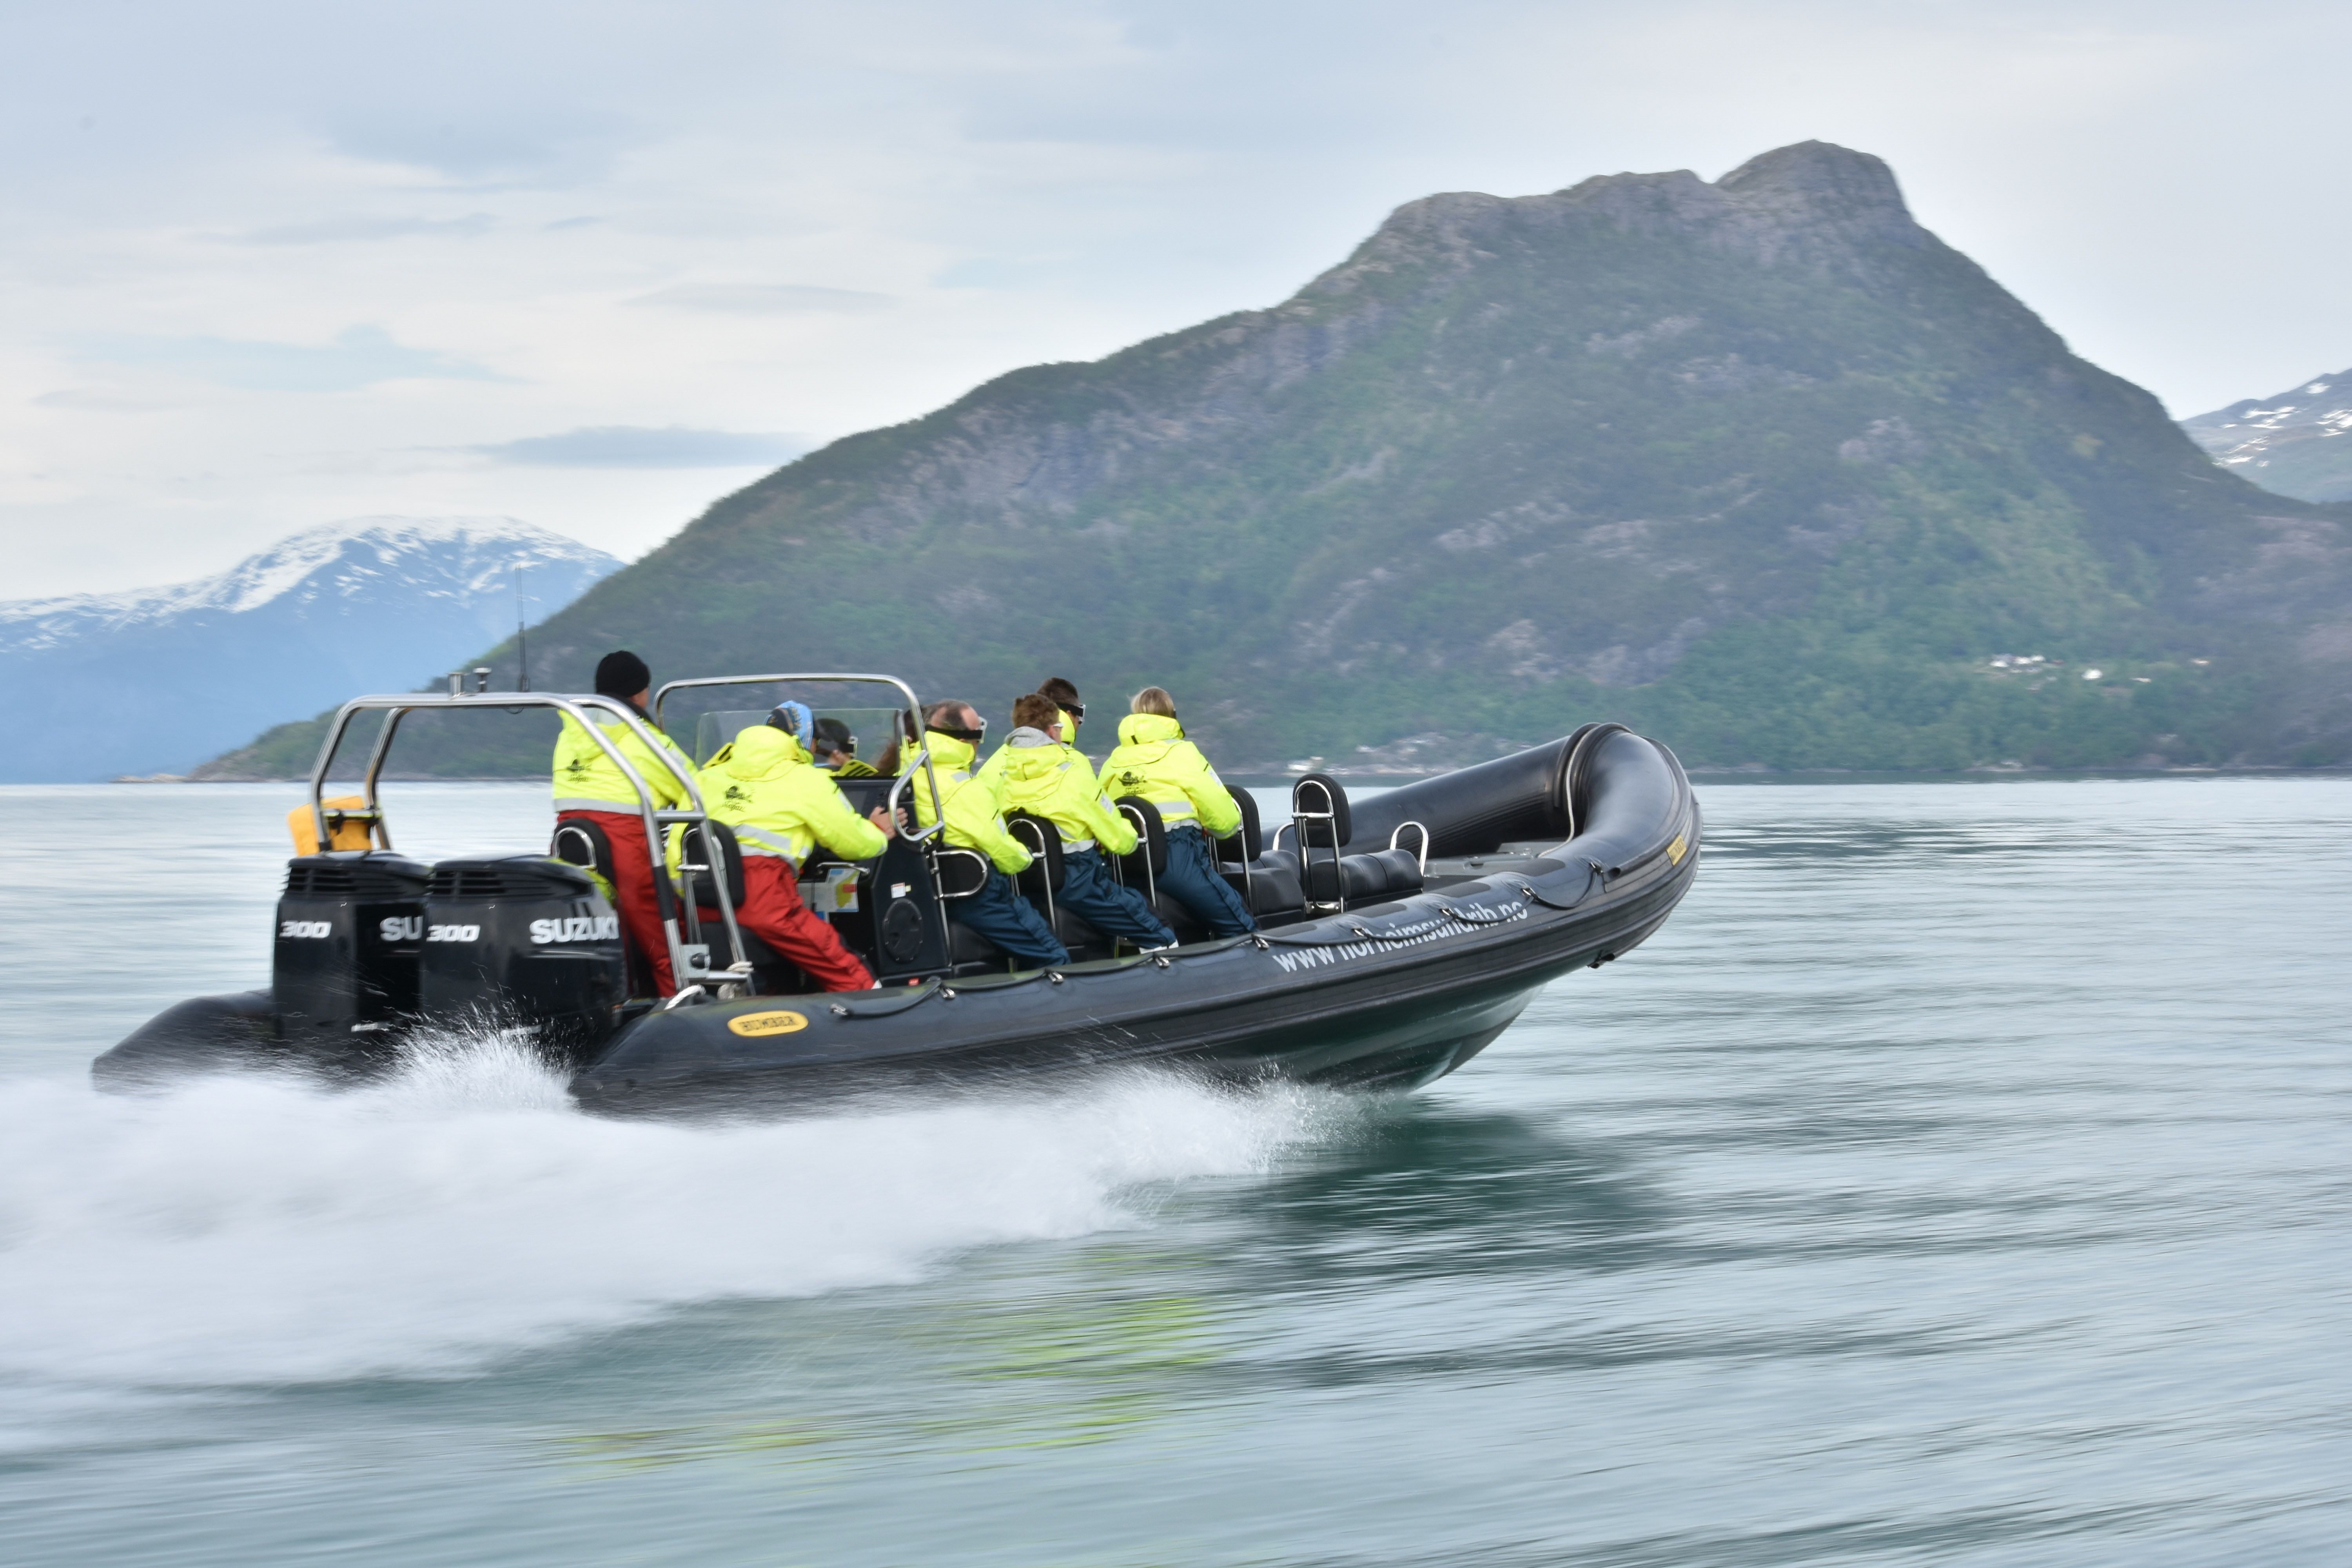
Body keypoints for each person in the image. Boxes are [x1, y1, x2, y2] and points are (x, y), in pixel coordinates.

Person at [670, 702, 893, 993]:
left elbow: (676, 850)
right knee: (839, 961)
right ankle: (876, 1005)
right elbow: (854, 843)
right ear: (804, 742)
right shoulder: (808, 780)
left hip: (699, 904)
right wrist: (879, 830)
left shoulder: (704, 778)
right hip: (766, 901)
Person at [552, 650, 696, 995]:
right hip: (627, 850)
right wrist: (676, 861)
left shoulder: (570, 735)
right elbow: (696, 790)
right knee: (665, 943)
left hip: (571, 849)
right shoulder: (644, 738)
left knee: (600, 941)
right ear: (640, 694)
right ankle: (680, 1005)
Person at [996, 693, 1175, 951]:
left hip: (1030, 886)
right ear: (1052, 731)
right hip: (1081, 884)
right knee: (1156, 926)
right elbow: (1121, 841)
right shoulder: (1073, 776)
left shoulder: (1005, 779)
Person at [910, 699, 1068, 969]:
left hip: (931, 894)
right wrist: (1027, 857)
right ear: (965, 740)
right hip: (979, 898)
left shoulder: (907, 773)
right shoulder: (966, 788)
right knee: (1055, 955)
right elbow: (1004, 852)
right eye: (978, 735)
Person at [1099, 686, 1257, 938]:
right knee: (1240, 925)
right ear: (1172, 716)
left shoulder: (1113, 761)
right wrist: (1221, 830)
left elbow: (1099, 809)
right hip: (1177, 859)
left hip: (1125, 866)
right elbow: (1225, 818)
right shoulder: (1183, 754)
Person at [810, 716, 880, 778]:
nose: (850, 755)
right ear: (837, 753)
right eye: (850, 748)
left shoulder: (808, 777)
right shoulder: (858, 780)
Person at [1038, 677, 1088, 759]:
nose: (1079, 721)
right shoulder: (1077, 761)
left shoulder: (1015, 750)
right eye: (1079, 716)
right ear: (1069, 715)